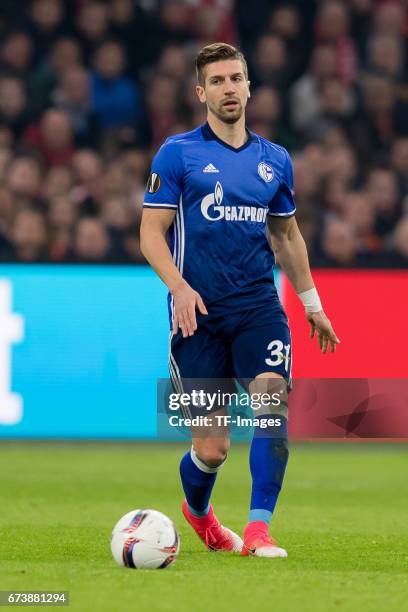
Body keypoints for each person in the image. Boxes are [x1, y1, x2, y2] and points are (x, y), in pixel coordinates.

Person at [140, 43, 340, 559]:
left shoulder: (275, 161)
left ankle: (258, 531)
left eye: (237, 78)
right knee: (212, 449)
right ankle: (200, 516)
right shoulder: (177, 153)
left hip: (258, 309)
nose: (230, 88)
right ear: (201, 92)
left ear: (249, 87)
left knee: (271, 403)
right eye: (219, 81)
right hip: (197, 315)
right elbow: (150, 234)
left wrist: (311, 303)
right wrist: (179, 288)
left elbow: (288, 237)